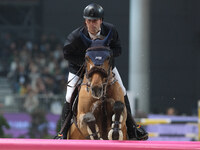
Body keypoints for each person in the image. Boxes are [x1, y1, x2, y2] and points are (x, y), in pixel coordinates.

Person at [57, 3, 148, 140]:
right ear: (85, 21)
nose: (92, 24)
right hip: (79, 69)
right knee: (69, 96)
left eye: (95, 21)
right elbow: (67, 54)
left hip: (105, 68)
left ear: (101, 21)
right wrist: (88, 63)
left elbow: (118, 49)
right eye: (89, 21)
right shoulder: (76, 36)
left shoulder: (111, 30)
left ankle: (133, 127)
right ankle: (62, 132)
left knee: (122, 90)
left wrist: (107, 56)